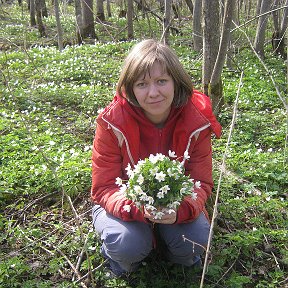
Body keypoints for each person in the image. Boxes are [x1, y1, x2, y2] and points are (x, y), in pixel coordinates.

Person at [91, 39, 221, 277]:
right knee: (127, 244)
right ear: (130, 88)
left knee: (193, 240)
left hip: (175, 203)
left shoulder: (195, 121)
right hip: (124, 205)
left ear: (176, 82)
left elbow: (201, 182)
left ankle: (172, 251)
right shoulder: (112, 123)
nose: (153, 93)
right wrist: (138, 209)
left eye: (162, 81)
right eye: (142, 84)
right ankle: (123, 260)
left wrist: (180, 210)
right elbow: (104, 187)